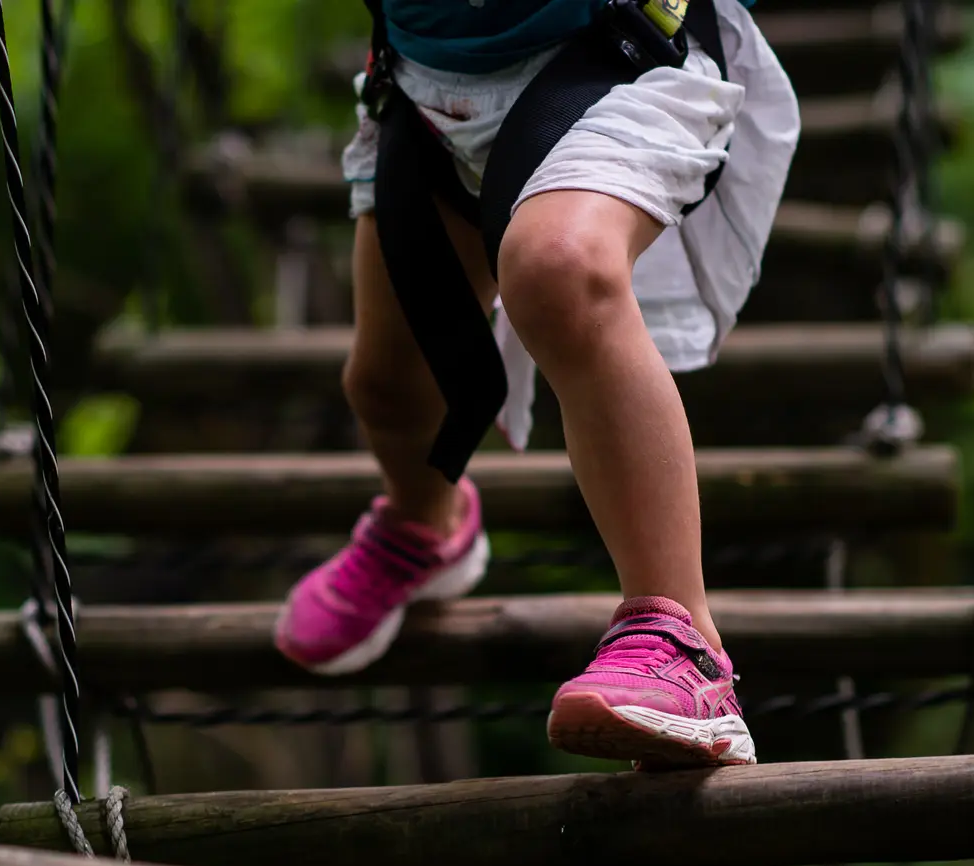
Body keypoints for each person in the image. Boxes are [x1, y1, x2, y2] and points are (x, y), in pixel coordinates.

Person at [274, 0, 800, 770]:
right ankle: (425, 528)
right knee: (388, 384)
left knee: (561, 267)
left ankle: (683, 644)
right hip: (424, 88)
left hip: (615, 51)